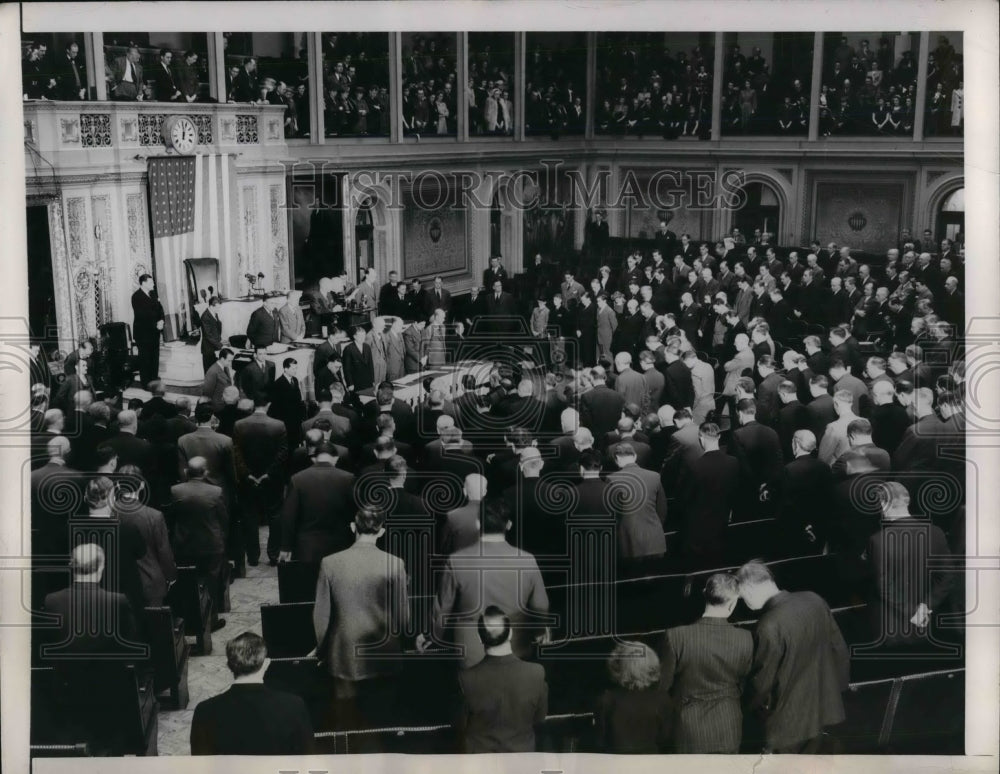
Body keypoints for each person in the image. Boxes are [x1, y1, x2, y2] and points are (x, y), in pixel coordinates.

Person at [736, 560, 850, 753]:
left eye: (743, 598)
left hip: (788, 724)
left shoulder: (768, 625)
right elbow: (839, 649)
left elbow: (761, 683)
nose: (745, 604)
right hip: (823, 708)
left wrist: (743, 708)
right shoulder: (814, 599)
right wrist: (836, 692)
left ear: (750, 591)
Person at [424, 499, 549, 668]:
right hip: (516, 646)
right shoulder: (527, 560)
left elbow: (441, 609)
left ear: (478, 524)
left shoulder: (456, 561)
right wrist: (539, 630)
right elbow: (540, 605)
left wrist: (432, 637)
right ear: (509, 525)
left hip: (471, 651)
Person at [313, 507, 409, 711]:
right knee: (383, 714)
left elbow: (321, 616)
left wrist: (322, 649)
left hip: (344, 653)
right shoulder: (395, 564)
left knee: (347, 716)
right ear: (381, 531)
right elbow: (402, 617)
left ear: (352, 527)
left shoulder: (329, 563)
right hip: (384, 651)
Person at [660, 573, 753, 753]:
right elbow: (745, 684)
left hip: (689, 727)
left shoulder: (676, 636)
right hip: (727, 725)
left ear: (705, 594)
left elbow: (663, 686)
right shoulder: (745, 639)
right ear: (733, 603)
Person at [190, 632, 313, 755]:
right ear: (266, 664)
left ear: (228, 665)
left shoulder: (204, 711)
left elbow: (200, 761)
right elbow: (307, 757)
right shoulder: (294, 706)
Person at [866, 482, 954, 646]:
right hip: (927, 624)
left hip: (889, 628)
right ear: (907, 501)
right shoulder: (936, 532)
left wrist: (913, 612)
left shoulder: (877, 540)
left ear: (884, 505)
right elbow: (947, 576)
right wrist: (926, 606)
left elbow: (883, 586)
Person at [454, 606, 548, 753]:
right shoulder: (536, 673)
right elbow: (539, 718)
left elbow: (459, 725)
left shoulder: (465, 679)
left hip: (480, 762)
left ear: (479, 638)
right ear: (510, 633)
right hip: (521, 761)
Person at [169, 457, 229, 629]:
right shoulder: (216, 492)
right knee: (211, 582)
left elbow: (171, 518)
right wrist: (222, 537)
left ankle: (190, 619)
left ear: (187, 472)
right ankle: (211, 620)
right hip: (211, 545)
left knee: (187, 583)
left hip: (184, 545)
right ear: (206, 472)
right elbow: (224, 518)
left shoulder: (175, 491)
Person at [232, 395, 288, 566]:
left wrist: (246, 473)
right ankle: (273, 554)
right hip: (272, 479)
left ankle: (253, 556)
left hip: (248, 480)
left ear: (253, 405)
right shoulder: (279, 425)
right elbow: (283, 453)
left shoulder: (239, 425)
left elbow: (236, 453)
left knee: (250, 516)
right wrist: (269, 473)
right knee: (275, 515)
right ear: (268, 405)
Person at [676, 423, 740, 567]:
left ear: (701, 439)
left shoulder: (695, 466)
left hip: (698, 531)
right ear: (719, 437)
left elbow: (684, 499)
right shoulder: (733, 463)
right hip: (723, 525)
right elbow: (735, 492)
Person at [279, 443, 356, 562]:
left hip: (307, 546)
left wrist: (286, 547)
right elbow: (354, 511)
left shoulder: (297, 479)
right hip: (339, 544)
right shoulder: (348, 478)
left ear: (314, 458)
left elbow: (289, 516)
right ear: (336, 458)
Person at [596, 641, 673, 753]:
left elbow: (600, 743)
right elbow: (667, 742)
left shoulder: (607, 699)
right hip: (652, 762)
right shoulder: (662, 700)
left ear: (620, 666)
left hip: (616, 763)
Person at [131, 274, 165, 385]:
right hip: (143, 334)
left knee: (155, 357)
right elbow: (142, 316)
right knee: (145, 359)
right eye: (151, 282)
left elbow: (160, 309)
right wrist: (156, 324)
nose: (153, 284)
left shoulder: (153, 294)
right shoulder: (136, 297)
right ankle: (146, 383)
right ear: (143, 283)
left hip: (154, 332)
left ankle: (154, 380)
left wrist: (161, 320)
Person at [199, 296, 224, 372]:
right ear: (211, 306)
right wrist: (220, 345)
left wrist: (220, 340)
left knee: (214, 370)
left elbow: (216, 328)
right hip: (208, 349)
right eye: (217, 307)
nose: (219, 309)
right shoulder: (205, 316)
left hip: (213, 347)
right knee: (208, 372)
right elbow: (208, 335)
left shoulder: (214, 313)